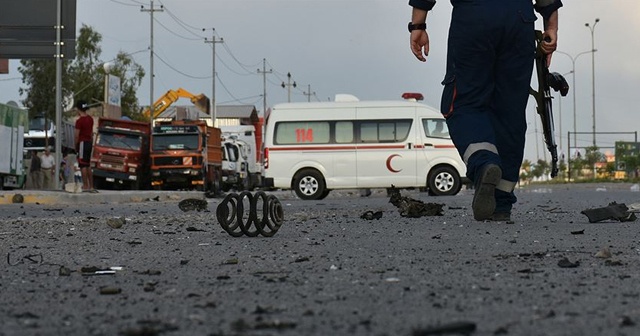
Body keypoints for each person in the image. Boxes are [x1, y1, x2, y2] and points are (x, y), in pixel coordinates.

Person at [408, 0, 561, 221]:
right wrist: (551, 28)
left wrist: (418, 25)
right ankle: (501, 202)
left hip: (474, 16)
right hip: (519, 20)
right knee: (510, 112)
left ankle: (484, 162)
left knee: (464, 104)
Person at [74, 100, 97, 193]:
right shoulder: (90, 119)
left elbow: (76, 135)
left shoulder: (79, 121)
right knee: (88, 165)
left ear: (78, 109)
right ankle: (91, 186)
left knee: (82, 164)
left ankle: (85, 185)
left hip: (82, 143)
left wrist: (76, 146)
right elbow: (91, 133)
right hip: (89, 143)